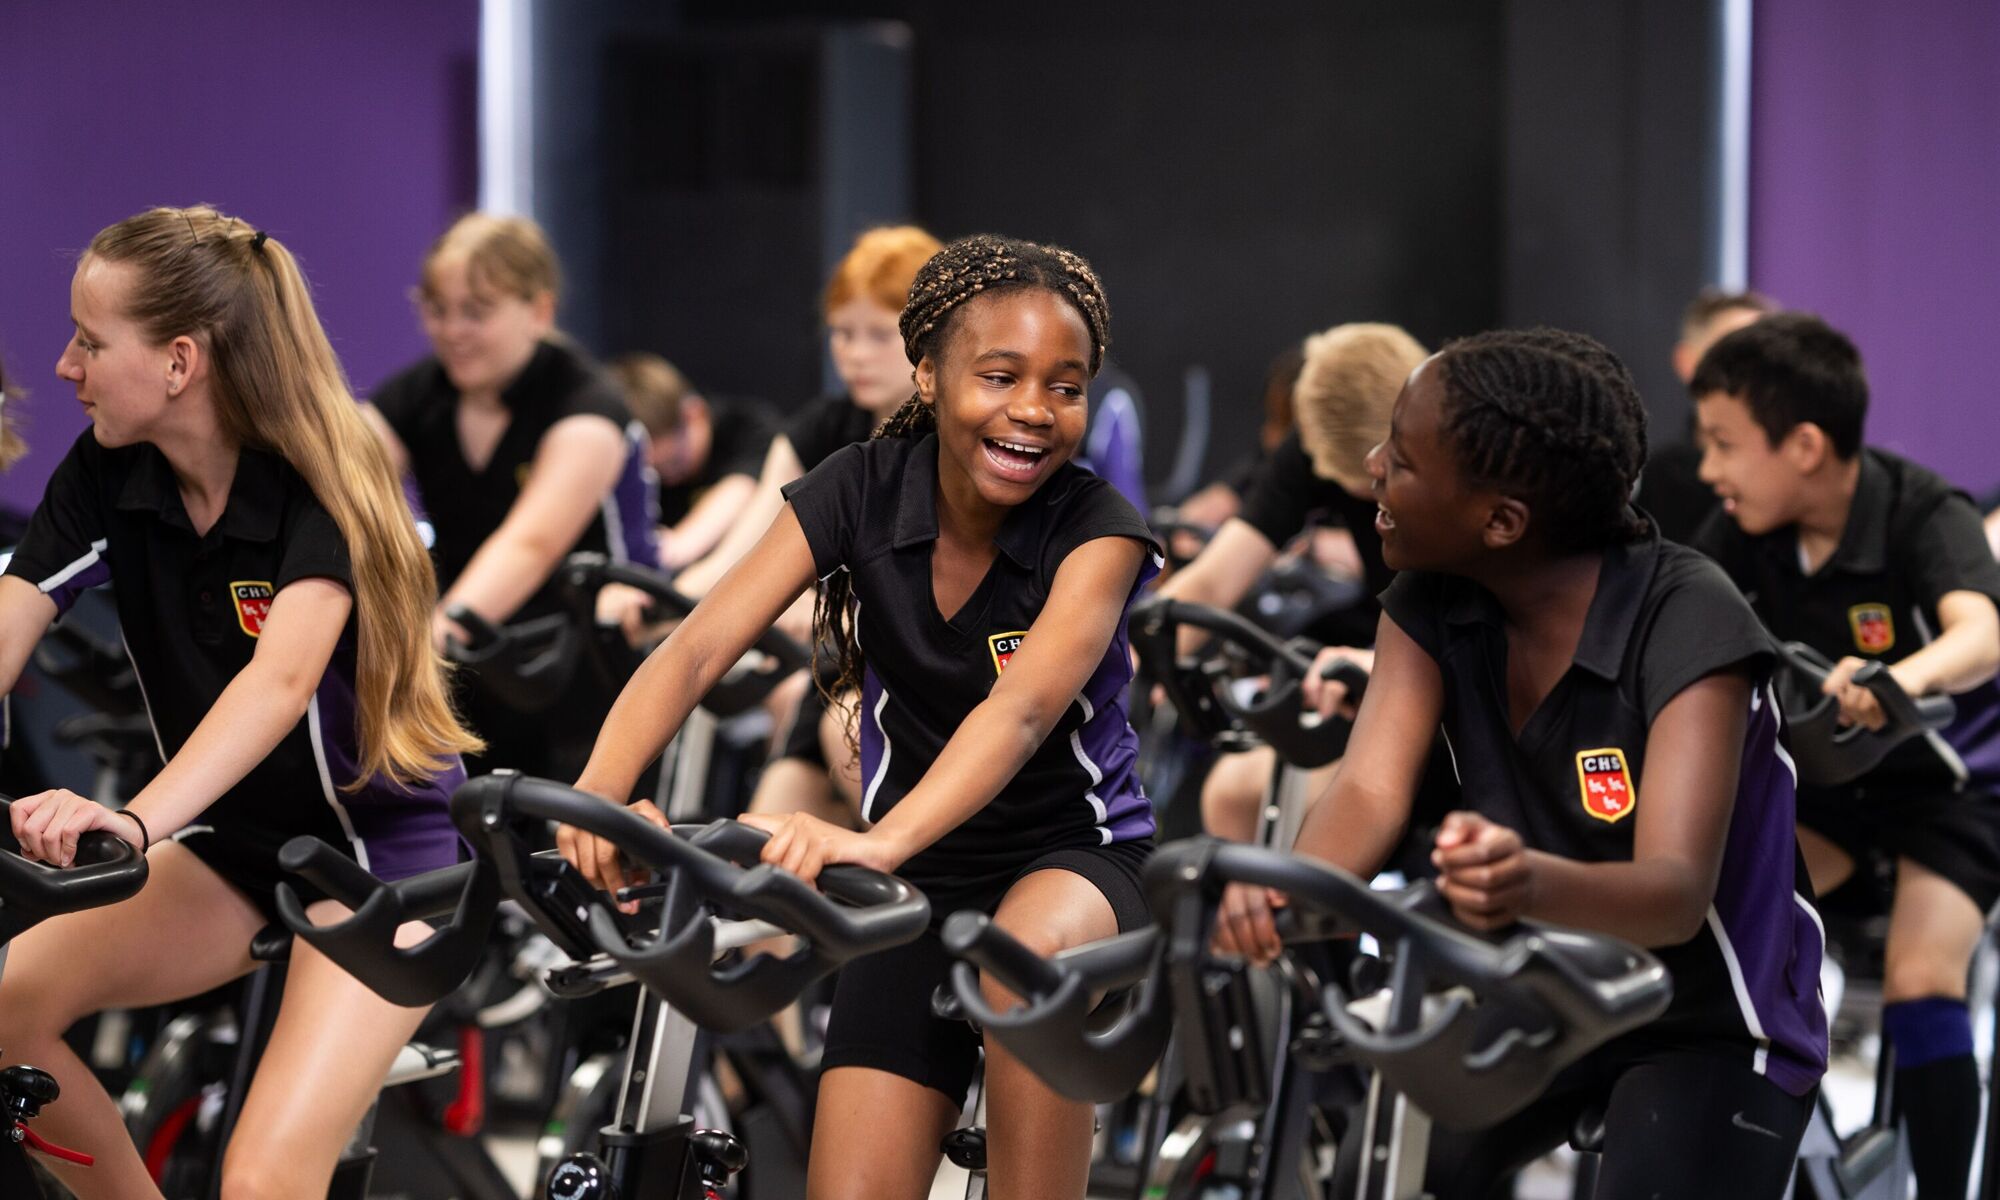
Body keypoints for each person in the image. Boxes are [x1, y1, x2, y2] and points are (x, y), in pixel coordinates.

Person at [559, 234, 1159, 1200]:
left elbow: (1019, 715)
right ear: (928, 374)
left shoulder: (1099, 533)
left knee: (1019, 962)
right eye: (999, 376)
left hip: (1073, 860)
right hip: (920, 874)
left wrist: (878, 844)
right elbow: (700, 646)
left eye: (1067, 386)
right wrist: (598, 793)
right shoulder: (860, 487)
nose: (1034, 409)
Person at [1220, 329, 1827, 1199]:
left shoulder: (1690, 616)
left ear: (1501, 522)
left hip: (1711, 1019)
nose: (1374, 465)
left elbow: (1673, 896)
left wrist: (1523, 885)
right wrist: (1285, 891)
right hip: (1540, 987)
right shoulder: (1429, 596)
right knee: (1380, 1176)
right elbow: (1368, 790)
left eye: (1404, 459)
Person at [0, 206, 480, 1198]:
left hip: (383, 862)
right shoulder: (108, 473)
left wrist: (135, 823)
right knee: (7, 1015)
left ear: (179, 362)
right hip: (241, 852)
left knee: (261, 1180)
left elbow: (281, 681)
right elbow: (10, 618)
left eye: (91, 342)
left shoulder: (323, 476)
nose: (64, 366)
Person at [1692, 312, 2000, 1200]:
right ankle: (1813, 1162)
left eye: (1724, 445)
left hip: (1947, 793)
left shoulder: (1921, 509)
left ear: (1804, 446)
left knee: (1920, 982)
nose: (1708, 470)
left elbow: (1981, 635)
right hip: (1828, 796)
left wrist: (1900, 678)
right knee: (1728, 950)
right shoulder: (1740, 530)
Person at [364, 212, 657, 778]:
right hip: (475, 658)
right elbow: (337, 478)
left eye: (476, 311)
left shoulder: (587, 405)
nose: (452, 330)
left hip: (587, 661)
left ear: (539, 311)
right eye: (437, 309)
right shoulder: (418, 395)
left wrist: (429, 642)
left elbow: (531, 545)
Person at [675, 225, 944, 829]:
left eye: (879, 334)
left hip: (919, 685)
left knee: (849, 747)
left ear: (932, 335)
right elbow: (745, 546)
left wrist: (830, 609)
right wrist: (665, 597)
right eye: (842, 333)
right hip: (837, 673)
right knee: (758, 851)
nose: (855, 354)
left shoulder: (958, 441)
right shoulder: (824, 426)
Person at [1151, 323, 1428, 842]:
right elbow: (1213, 582)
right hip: (1379, 672)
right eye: (1365, 482)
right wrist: (1119, 668)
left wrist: (1385, 665)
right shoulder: (1317, 445)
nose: (1378, 488)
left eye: (1388, 475)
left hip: (1456, 694)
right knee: (1233, 795)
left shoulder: (1463, 470)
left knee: (1316, 810)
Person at [609, 352, 777, 571]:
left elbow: (742, 487)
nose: (668, 479)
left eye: (674, 462)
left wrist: (674, 546)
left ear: (693, 414)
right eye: (654, 471)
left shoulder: (748, 428)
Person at [1638, 287, 1776, 543]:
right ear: (1686, 361)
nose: (1751, 372)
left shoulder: (1783, 472)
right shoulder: (1664, 475)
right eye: (1731, 355)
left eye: (1764, 357)